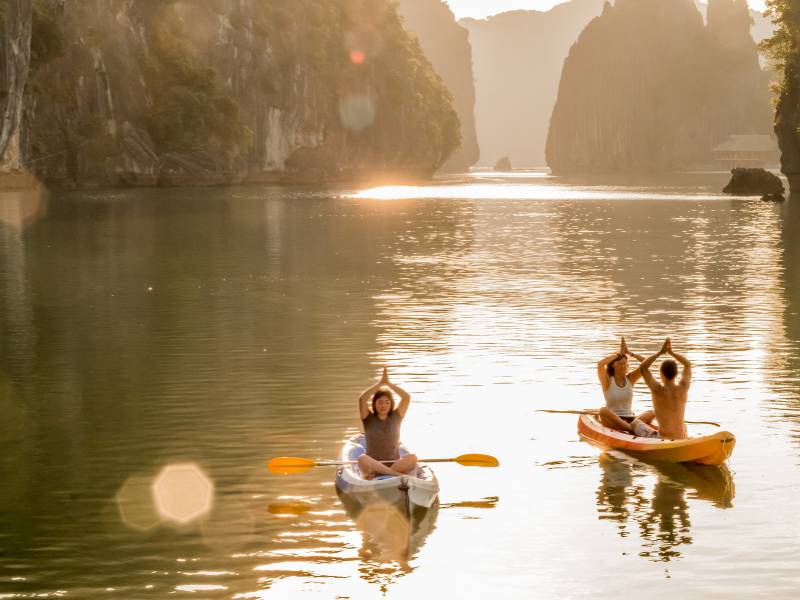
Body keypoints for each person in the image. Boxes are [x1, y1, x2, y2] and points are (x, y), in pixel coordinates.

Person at [356, 367, 418, 480]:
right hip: (373, 466)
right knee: (362, 458)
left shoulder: (396, 417)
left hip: (396, 465)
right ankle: (394, 475)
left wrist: (389, 384)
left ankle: (389, 472)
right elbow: (362, 399)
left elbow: (406, 397)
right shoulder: (368, 418)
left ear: (391, 404)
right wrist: (380, 384)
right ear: (374, 404)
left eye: (386, 402)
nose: (383, 406)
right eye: (380, 402)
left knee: (413, 458)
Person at [635, 338, 691, 440]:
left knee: (635, 423)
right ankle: (685, 437)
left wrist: (660, 352)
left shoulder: (657, 390)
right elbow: (687, 364)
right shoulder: (683, 387)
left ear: (661, 375)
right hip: (681, 437)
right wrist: (671, 353)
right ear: (676, 374)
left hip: (663, 438)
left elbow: (643, 367)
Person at [597, 337, 656, 433]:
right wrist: (618, 354)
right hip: (613, 420)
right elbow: (600, 364)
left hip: (631, 419)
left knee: (653, 412)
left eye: (625, 363)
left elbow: (646, 363)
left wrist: (630, 353)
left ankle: (631, 427)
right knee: (603, 410)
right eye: (620, 363)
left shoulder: (630, 379)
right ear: (612, 365)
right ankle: (632, 429)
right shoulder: (607, 380)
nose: (623, 366)